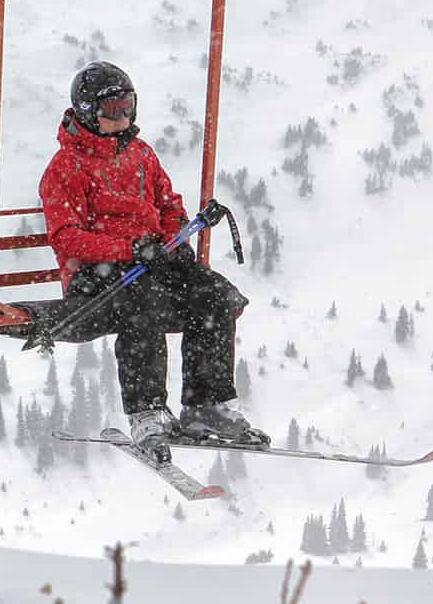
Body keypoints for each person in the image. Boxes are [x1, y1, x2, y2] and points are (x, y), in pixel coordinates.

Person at [38, 61, 269, 464]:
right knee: (141, 303)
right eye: (113, 110)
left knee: (214, 295)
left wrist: (174, 235)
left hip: (149, 260)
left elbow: (167, 203)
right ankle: (147, 411)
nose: (123, 117)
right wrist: (128, 249)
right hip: (97, 274)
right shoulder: (65, 168)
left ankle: (205, 404)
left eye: (128, 107)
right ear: (89, 111)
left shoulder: (141, 155)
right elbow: (67, 238)